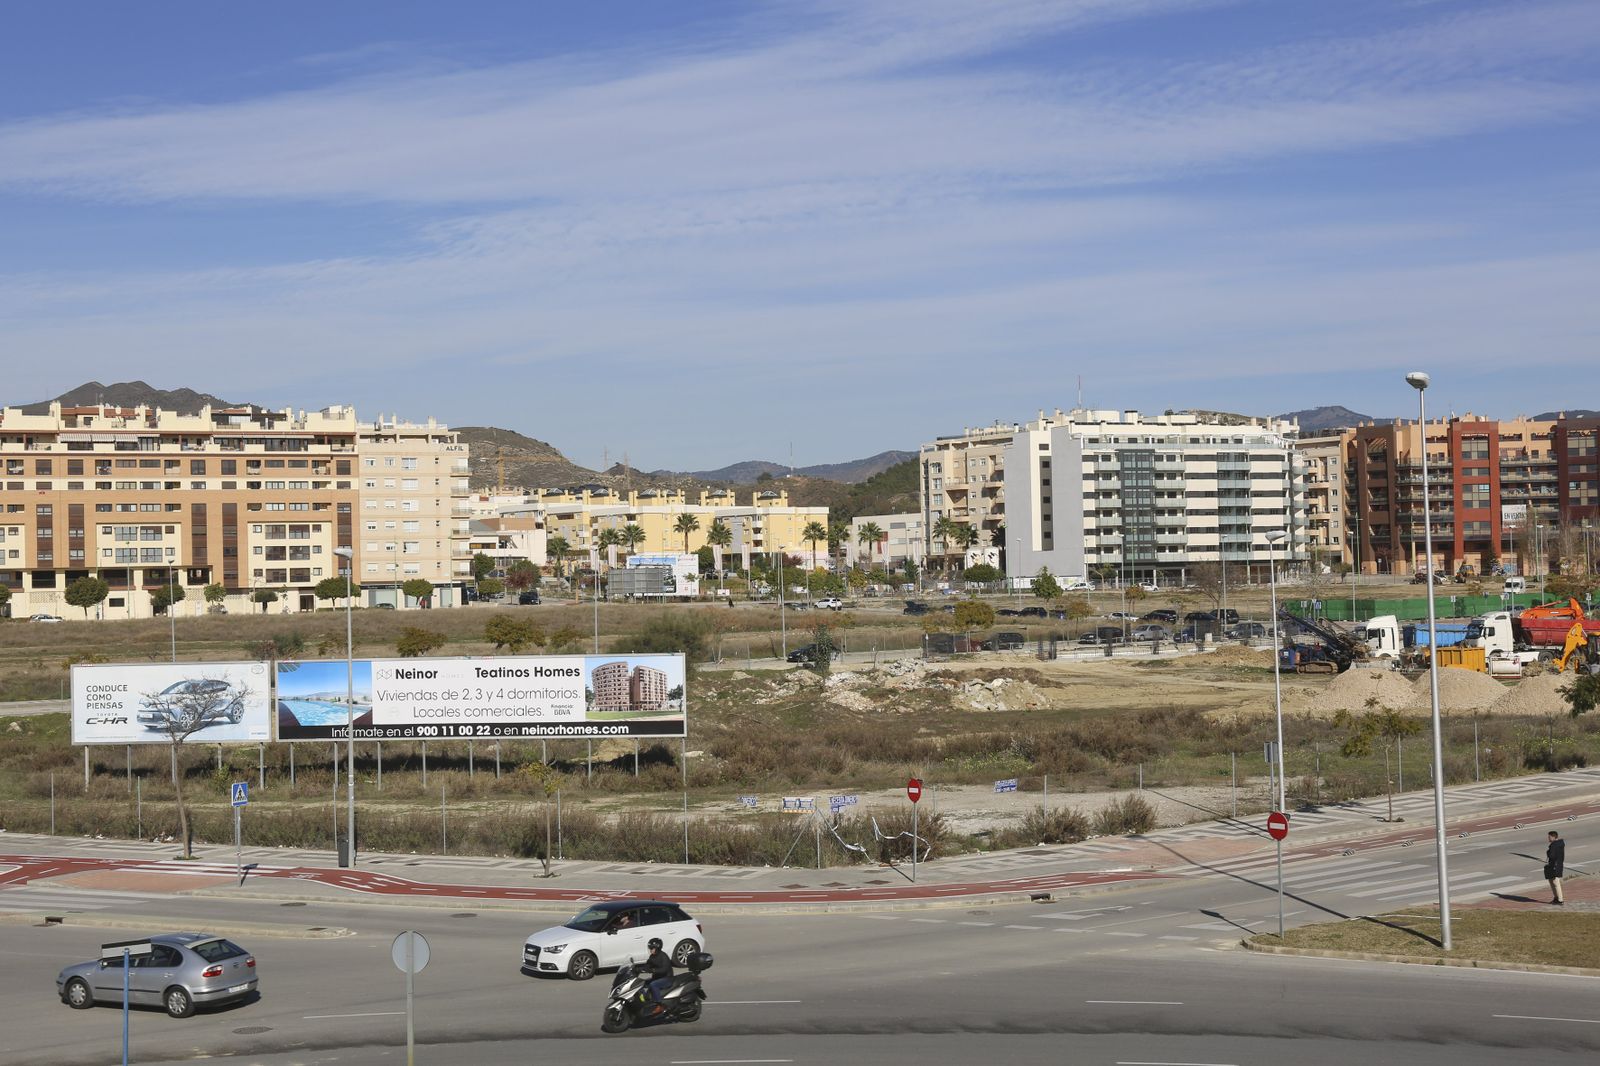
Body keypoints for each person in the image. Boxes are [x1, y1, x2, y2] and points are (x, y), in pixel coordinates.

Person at [638, 937, 673, 1013]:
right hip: (658, 978)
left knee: (654, 984)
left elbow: (664, 970)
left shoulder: (663, 956)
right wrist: (637, 969)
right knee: (642, 983)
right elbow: (647, 965)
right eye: (650, 948)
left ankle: (659, 1005)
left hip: (667, 978)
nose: (650, 950)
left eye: (652, 948)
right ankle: (644, 1002)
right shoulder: (652, 957)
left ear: (657, 948)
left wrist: (653, 970)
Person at [1546, 830, 1566, 905]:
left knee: (1556, 882)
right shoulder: (1559, 843)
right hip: (1558, 865)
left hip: (1555, 866)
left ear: (1553, 837)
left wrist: (1548, 852)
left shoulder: (1554, 845)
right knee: (1552, 881)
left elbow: (1552, 856)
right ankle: (1556, 898)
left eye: (1549, 837)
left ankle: (1560, 900)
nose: (1548, 838)